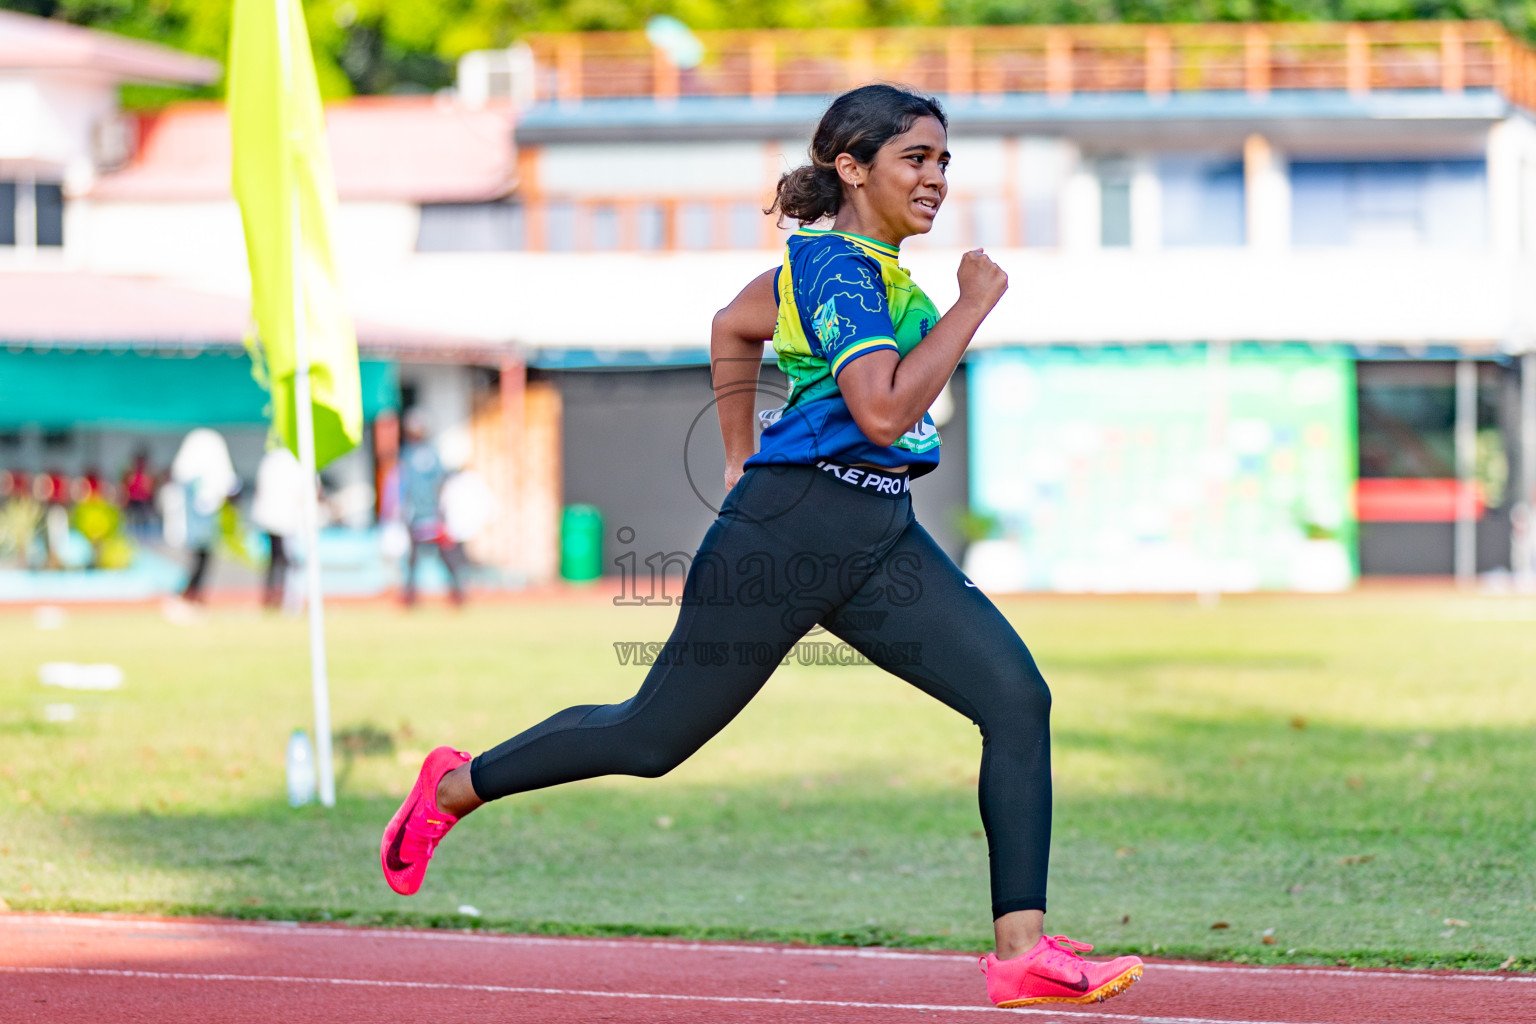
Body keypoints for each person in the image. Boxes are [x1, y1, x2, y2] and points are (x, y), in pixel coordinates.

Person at [379, 85, 1142, 1010]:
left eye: (944, 161)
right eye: (917, 159)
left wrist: (740, 451)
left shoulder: (859, 268)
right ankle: (454, 788)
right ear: (853, 169)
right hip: (788, 533)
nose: (937, 178)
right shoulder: (835, 271)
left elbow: (733, 327)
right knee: (651, 738)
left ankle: (1020, 952)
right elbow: (884, 407)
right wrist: (973, 306)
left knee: (1016, 699)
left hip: (875, 532)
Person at [395, 409, 465, 606]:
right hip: (418, 515)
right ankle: (411, 596)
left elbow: (440, 482)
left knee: (443, 555)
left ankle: (457, 592)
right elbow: (406, 487)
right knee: (414, 559)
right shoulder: (410, 455)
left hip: (429, 514)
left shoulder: (422, 454)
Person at [169, 428, 238, 604]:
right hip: (195, 527)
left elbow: (227, 486)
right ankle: (188, 595)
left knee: (203, 559)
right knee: (197, 560)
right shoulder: (192, 475)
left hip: (206, 527)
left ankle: (194, 595)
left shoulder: (206, 464)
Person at [250, 442, 307, 611]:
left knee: (275, 560)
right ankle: (281, 599)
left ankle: (273, 598)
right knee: (285, 561)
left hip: (270, 518)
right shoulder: (292, 462)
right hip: (284, 520)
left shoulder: (270, 460)